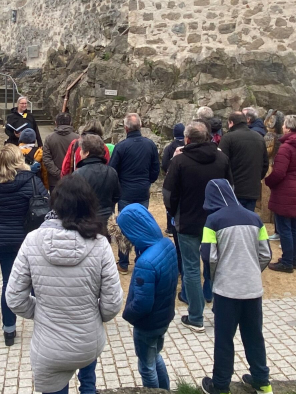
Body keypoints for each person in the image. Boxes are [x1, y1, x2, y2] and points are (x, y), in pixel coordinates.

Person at [5, 175, 123, 394]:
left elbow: (14, 297)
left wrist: (41, 312)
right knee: (89, 382)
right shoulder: (100, 244)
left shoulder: (32, 240)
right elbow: (113, 302)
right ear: (88, 204)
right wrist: (93, 315)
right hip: (87, 340)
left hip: (49, 346)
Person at [200, 179, 273, 394]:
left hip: (227, 291)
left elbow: (209, 256)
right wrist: (250, 272)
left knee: (224, 339)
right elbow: (266, 254)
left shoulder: (212, 221)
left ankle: (221, 385)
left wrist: (216, 277)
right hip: (252, 289)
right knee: (254, 336)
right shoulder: (255, 218)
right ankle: (262, 381)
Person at [162, 122, 232, 332]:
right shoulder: (222, 158)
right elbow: (230, 189)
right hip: (217, 221)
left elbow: (169, 193)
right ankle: (220, 311)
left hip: (188, 221)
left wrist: (173, 213)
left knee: (191, 268)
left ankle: (196, 316)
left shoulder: (179, 160)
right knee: (217, 265)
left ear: (187, 139)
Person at [0, 144, 49, 346]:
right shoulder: (32, 181)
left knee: (8, 283)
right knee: (36, 283)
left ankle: (9, 329)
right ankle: (43, 325)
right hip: (29, 238)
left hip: (4, 238)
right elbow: (45, 203)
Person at [117, 204, 178, 390]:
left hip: (147, 324)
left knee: (146, 367)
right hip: (163, 317)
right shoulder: (166, 244)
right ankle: (165, 390)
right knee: (155, 356)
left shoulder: (146, 263)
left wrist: (127, 314)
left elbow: (143, 303)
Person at [108, 113, 160, 272]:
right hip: (142, 190)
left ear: (125, 128)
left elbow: (112, 170)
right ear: (141, 126)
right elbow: (155, 169)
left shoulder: (121, 147)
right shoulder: (150, 145)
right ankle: (141, 258)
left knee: (123, 225)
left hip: (125, 192)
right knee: (142, 223)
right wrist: (147, 182)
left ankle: (123, 263)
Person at [264, 114, 296, 273]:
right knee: (295, 227)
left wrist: (268, 181)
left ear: (287, 127)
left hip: (285, 191)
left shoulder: (286, 147)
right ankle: (295, 260)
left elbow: (279, 172)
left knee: (285, 227)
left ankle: (286, 262)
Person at [219, 111, 269, 211]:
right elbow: (265, 164)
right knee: (248, 222)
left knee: (233, 222)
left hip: (233, 189)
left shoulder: (228, 138)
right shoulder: (259, 138)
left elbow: (221, 162)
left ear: (231, 123)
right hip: (252, 189)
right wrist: (256, 178)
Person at [73, 134, 121, 234]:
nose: (80, 153)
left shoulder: (78, 174)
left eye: (81, 150)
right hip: (106, 220)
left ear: (86, 153)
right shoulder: (112, 172)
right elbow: (116, 196)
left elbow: (74, 200)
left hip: (85, 221)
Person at [42, 112, 79, 190]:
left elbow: (46, 159)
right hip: (73, 179)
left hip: (54, 181)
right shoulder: (77, 138)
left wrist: (59, 173)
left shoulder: (49, 138)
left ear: (56, 123)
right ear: (70, 123)